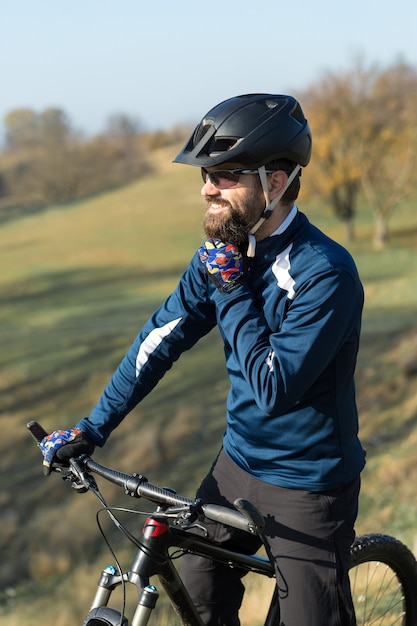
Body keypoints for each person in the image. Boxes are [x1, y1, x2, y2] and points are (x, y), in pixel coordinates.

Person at [40, 94, 365, 626]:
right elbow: (159, 340)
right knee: (198, 594)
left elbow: (273, 387)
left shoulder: (325, 273)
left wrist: (232, 289)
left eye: (225, 176)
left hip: (310, 483)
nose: (206, 189)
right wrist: (91, 428)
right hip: (236, 465)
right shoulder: (220, 256)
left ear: (275, 183)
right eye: (206, 175)